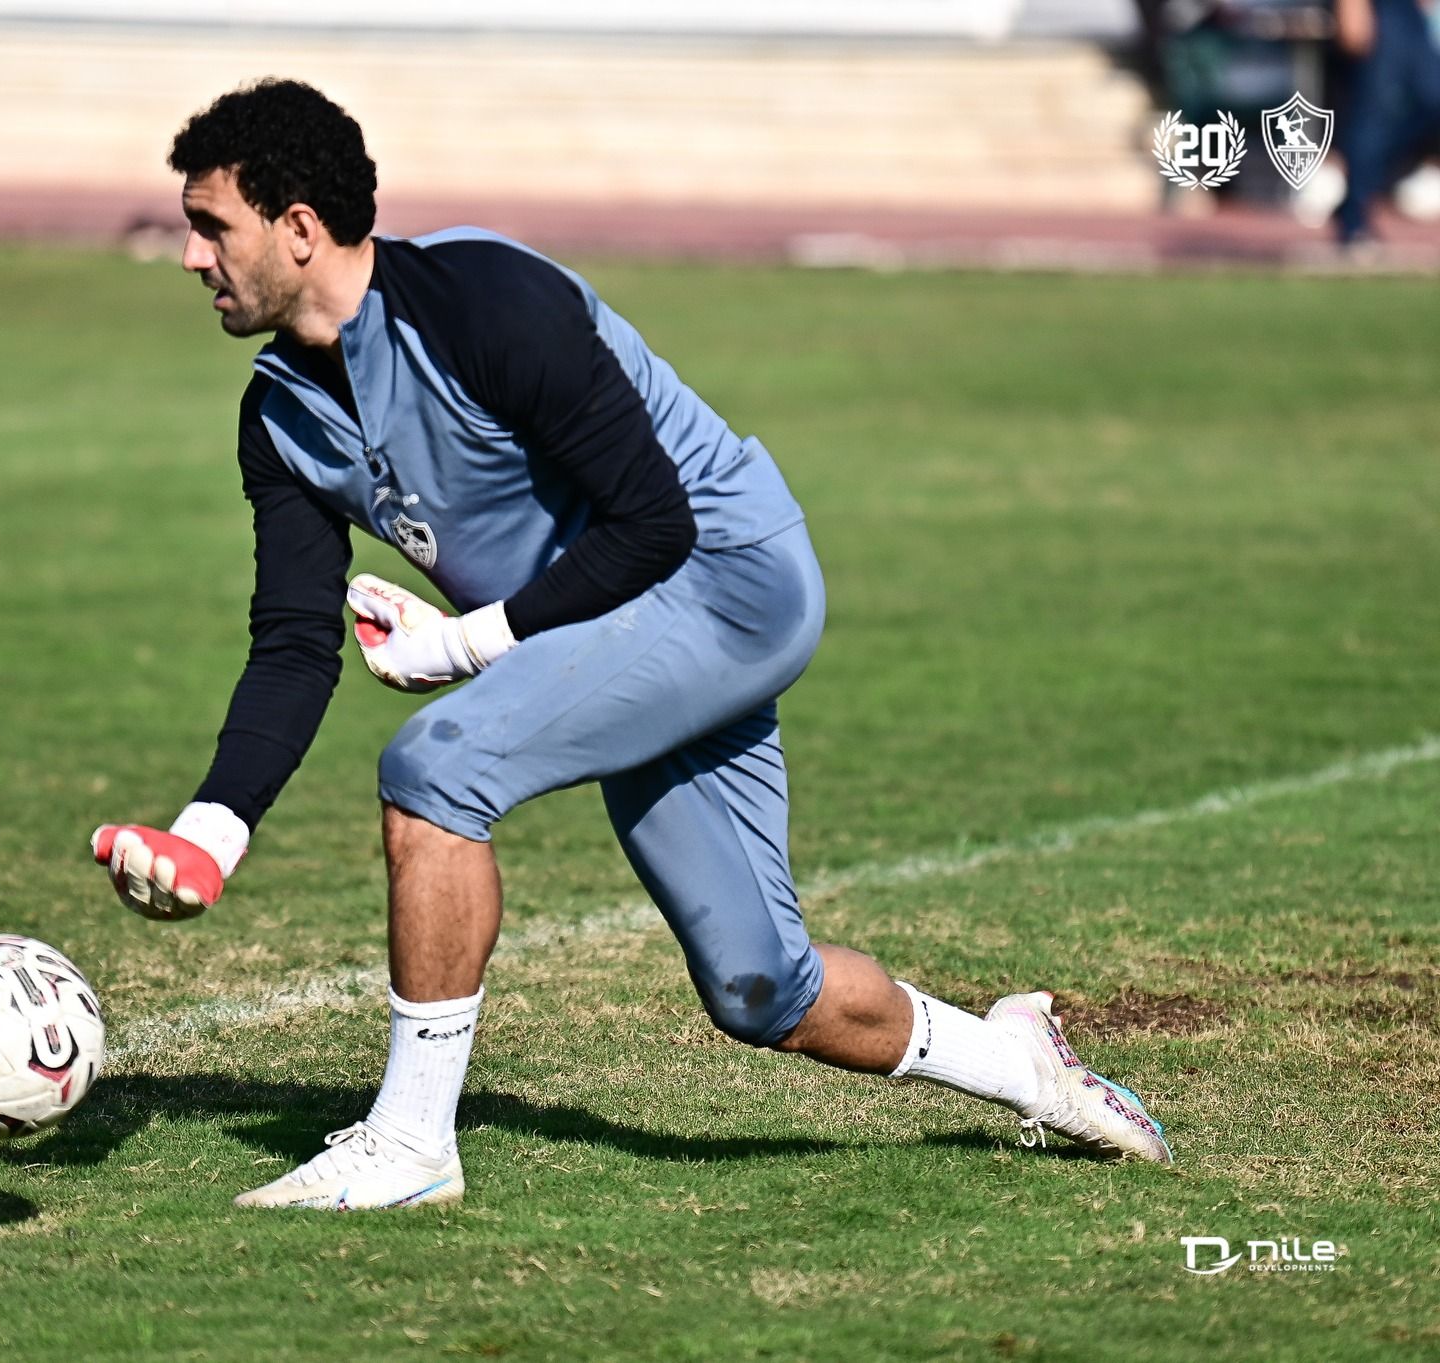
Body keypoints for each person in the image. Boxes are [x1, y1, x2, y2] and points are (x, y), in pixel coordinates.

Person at [91, 79, 1172, 1211]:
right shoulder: (277, 415)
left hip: (727, 580)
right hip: (612, 626)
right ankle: (1022, 1065)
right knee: (762, 988)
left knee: (433, 768)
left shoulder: (484, 299)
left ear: (299, 229)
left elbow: (653, 524)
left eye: (210, 224)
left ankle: (411, 1144)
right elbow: (291, 646)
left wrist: (467, 645)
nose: (188, 255)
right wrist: (209, 834)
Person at [1333, 0, 1440, 245]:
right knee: (1374, 115)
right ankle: (1354, 222)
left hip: (1407, 11)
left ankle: (1357, 190)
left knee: (1432, 98)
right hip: (1378, 8)